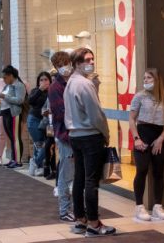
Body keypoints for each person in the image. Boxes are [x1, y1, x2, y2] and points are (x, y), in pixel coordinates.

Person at [65, 47, 116, 237]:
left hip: (75, 135)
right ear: (77, 63)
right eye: (87, 60)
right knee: (91, 181)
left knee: (80, 178)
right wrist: (106, 133)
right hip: (89, 135)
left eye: (92, 59)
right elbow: (96, 114)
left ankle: (81, 220)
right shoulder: (84, 85)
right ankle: (94, 224)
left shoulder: (71, 82)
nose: (91, 62)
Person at [129, 68, 164, 221]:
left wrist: (161, 138)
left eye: (149, 78)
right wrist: (137, 139)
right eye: (144, 78)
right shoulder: (139, 96)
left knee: (158, 172)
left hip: (159, 137)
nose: (145, 80)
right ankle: (139, 206)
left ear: (157, 80)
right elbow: (132, 119)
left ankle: (157, 206)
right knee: (141, 170)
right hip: (142, 136)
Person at [48, 51, 75, 221]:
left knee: (76, 174)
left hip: (78, 134)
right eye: (61, 65)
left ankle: (76, 207)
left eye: (67, 63)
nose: (66, 67)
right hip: (65, 135)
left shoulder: (73, 82)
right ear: (56, 68)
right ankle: (64, 210)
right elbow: (60, 113)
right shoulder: (55, 88)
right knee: (66, 174)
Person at [0, 65, 27, 168]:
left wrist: (5, 96)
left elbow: (20, 100)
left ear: (11, 76)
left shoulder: (19, 85)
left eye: (5, 77)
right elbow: (1, 100)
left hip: (14, 113)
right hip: (5, 112)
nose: (4, 79)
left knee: (15, 137)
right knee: (11, 138)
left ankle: (18, 161)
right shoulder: (7, 86)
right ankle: (13, 159)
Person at [27, 71, 51, 176]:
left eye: (46, 79)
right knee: (39, 144)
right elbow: (30, 101)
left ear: (50, 80)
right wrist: (40, 90)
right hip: (34, 120)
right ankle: (38, 165)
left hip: (47, 121)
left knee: (45, 144)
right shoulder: (35, 90)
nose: (44, 82)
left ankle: (35, 162)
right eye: (41, 80)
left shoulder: (52, 91)